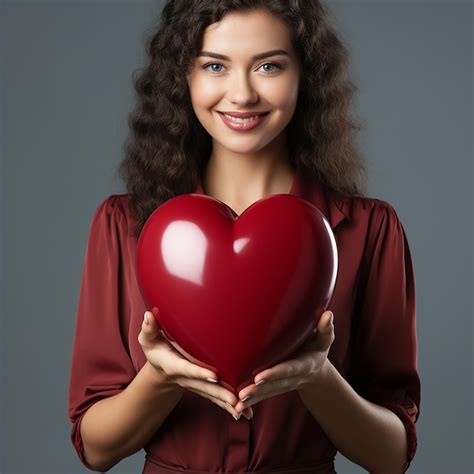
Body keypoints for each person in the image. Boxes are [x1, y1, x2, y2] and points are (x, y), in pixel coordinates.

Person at [68, 1, 421, 473]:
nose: (241, 93)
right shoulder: (122, 225)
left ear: (305, 76)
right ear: (183, 78)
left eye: (269, 66)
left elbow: (391, 456)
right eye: (215, 65)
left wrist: (318, 377)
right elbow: (95, 448)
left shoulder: (370, 231)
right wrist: (161, 377)